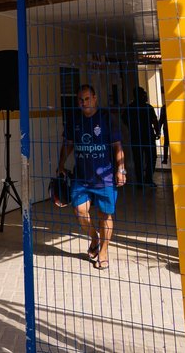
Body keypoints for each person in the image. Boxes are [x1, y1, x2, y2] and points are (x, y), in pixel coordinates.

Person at [57, 84, 126, 270]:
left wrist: (121, 169)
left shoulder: (106, 118)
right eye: (81, 100)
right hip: (81, 177)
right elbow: (68, 143)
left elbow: (117, 146)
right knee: (80, 211)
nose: (84, 103)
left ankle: (103, 252)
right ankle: (94, 238)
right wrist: (61, 164)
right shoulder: (74, 119)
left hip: (105, 178)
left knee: (105, 215)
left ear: (95, 98)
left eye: (87, 99)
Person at [123, 86, 159, 187]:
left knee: (138, 159)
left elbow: (124, 119)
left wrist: (131, 127)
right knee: (151, 158)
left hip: (136, 136)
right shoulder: (148, 107)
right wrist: (158, 132)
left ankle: (140, 181)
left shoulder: (130, 108)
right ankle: (148, 179)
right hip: (148, 136)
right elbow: (154, 121)